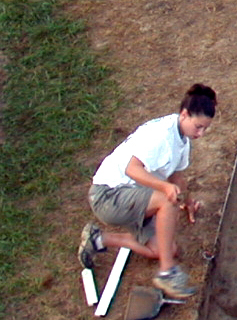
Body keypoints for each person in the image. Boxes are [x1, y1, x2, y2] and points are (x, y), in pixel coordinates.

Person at [77, 83, 217, 300]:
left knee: (167, 250)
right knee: (166, 201)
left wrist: (187, 201)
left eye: (205, 129)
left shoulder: (182, 140)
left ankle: (98, 239)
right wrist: (165, 188)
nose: (201, 133)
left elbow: (178, 177)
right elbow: (131, 169)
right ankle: (167, 273)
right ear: (184, 115)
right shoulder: (160, 136)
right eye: (198, 127)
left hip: (136, 195)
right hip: (108, 197)